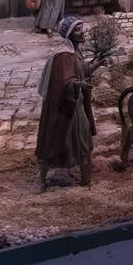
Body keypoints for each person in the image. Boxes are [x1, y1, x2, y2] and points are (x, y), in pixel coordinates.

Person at [35, 15, 96, 189]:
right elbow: (63, 82)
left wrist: (96, 65)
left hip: (77, 103)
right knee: (55, 140)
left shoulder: (76, 52)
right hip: (65, 107)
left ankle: (86, 181)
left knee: (84, 140)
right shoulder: (63, 55)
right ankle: (42, 179)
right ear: (69, 34)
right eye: (77, 29)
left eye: (81, 28)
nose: (82, 32)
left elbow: (81, 72)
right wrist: (79, 84)